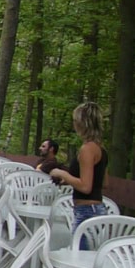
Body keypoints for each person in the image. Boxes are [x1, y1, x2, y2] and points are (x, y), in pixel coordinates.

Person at [50, 102, 108, 248]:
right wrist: (68, 180)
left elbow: (86, 187)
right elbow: (103, 182)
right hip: (97, 209)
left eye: (75, 121)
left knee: (78, 257)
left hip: (87, 212)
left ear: (82, 123)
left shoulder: (87, 149)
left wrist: (61, 172)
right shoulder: (100, 148)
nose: (74, 124)